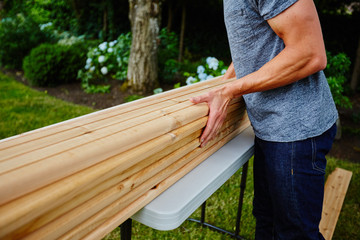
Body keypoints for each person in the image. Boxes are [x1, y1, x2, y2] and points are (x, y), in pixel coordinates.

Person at [190, 0, 338, 239]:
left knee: (294, 232)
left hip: (295, 130)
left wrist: (230, 91)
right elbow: (254, 44)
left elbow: (310, 53)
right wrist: (223, 85)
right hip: (273, 128)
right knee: (267, 221)